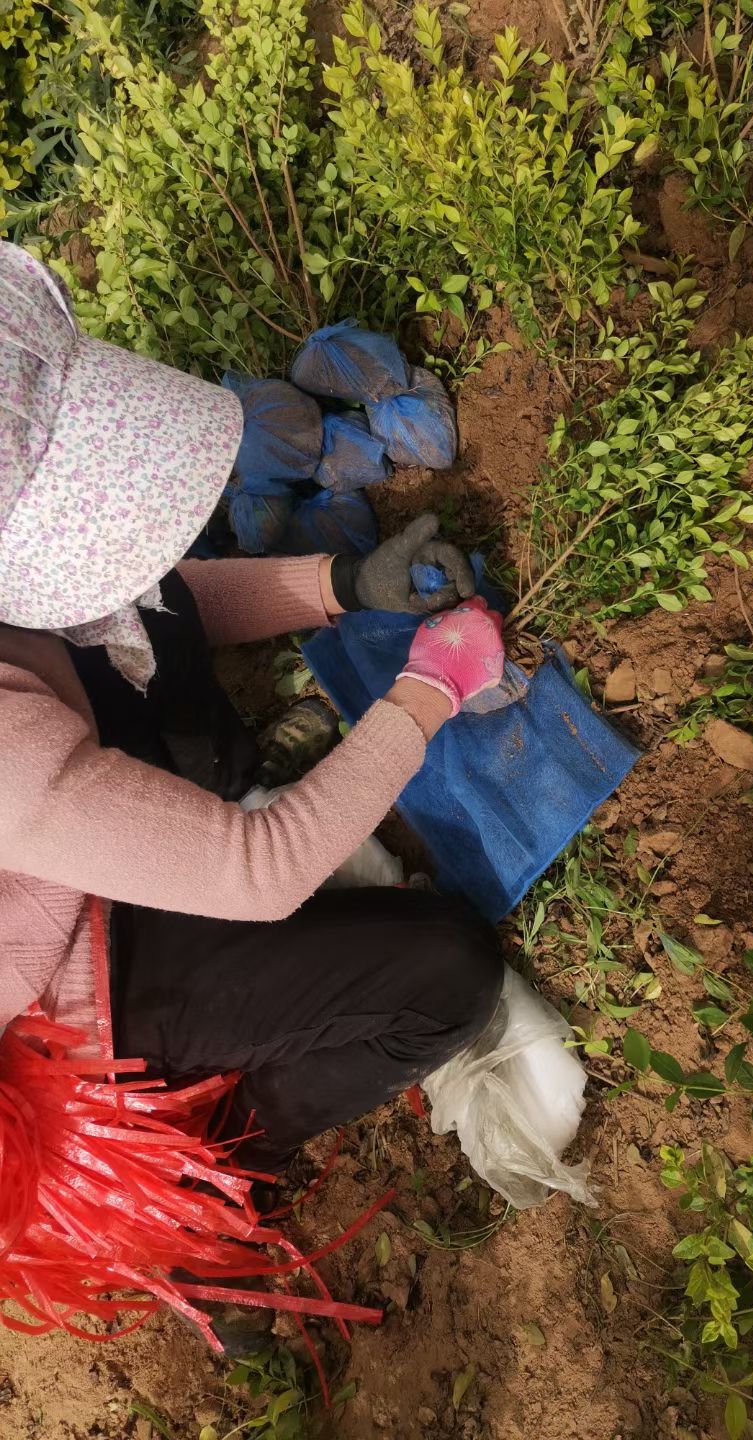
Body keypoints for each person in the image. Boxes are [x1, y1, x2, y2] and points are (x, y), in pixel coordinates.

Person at [0, 243, 507, 1208]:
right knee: (448, 970)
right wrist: (428, 694)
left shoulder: (21, 596)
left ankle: (200, 801)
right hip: (86, 985)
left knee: (128, 636)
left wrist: (341, 586)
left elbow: (136, 599)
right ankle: (225, 1162)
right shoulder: (7, 763)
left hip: (56, 824)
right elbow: (261, 869)